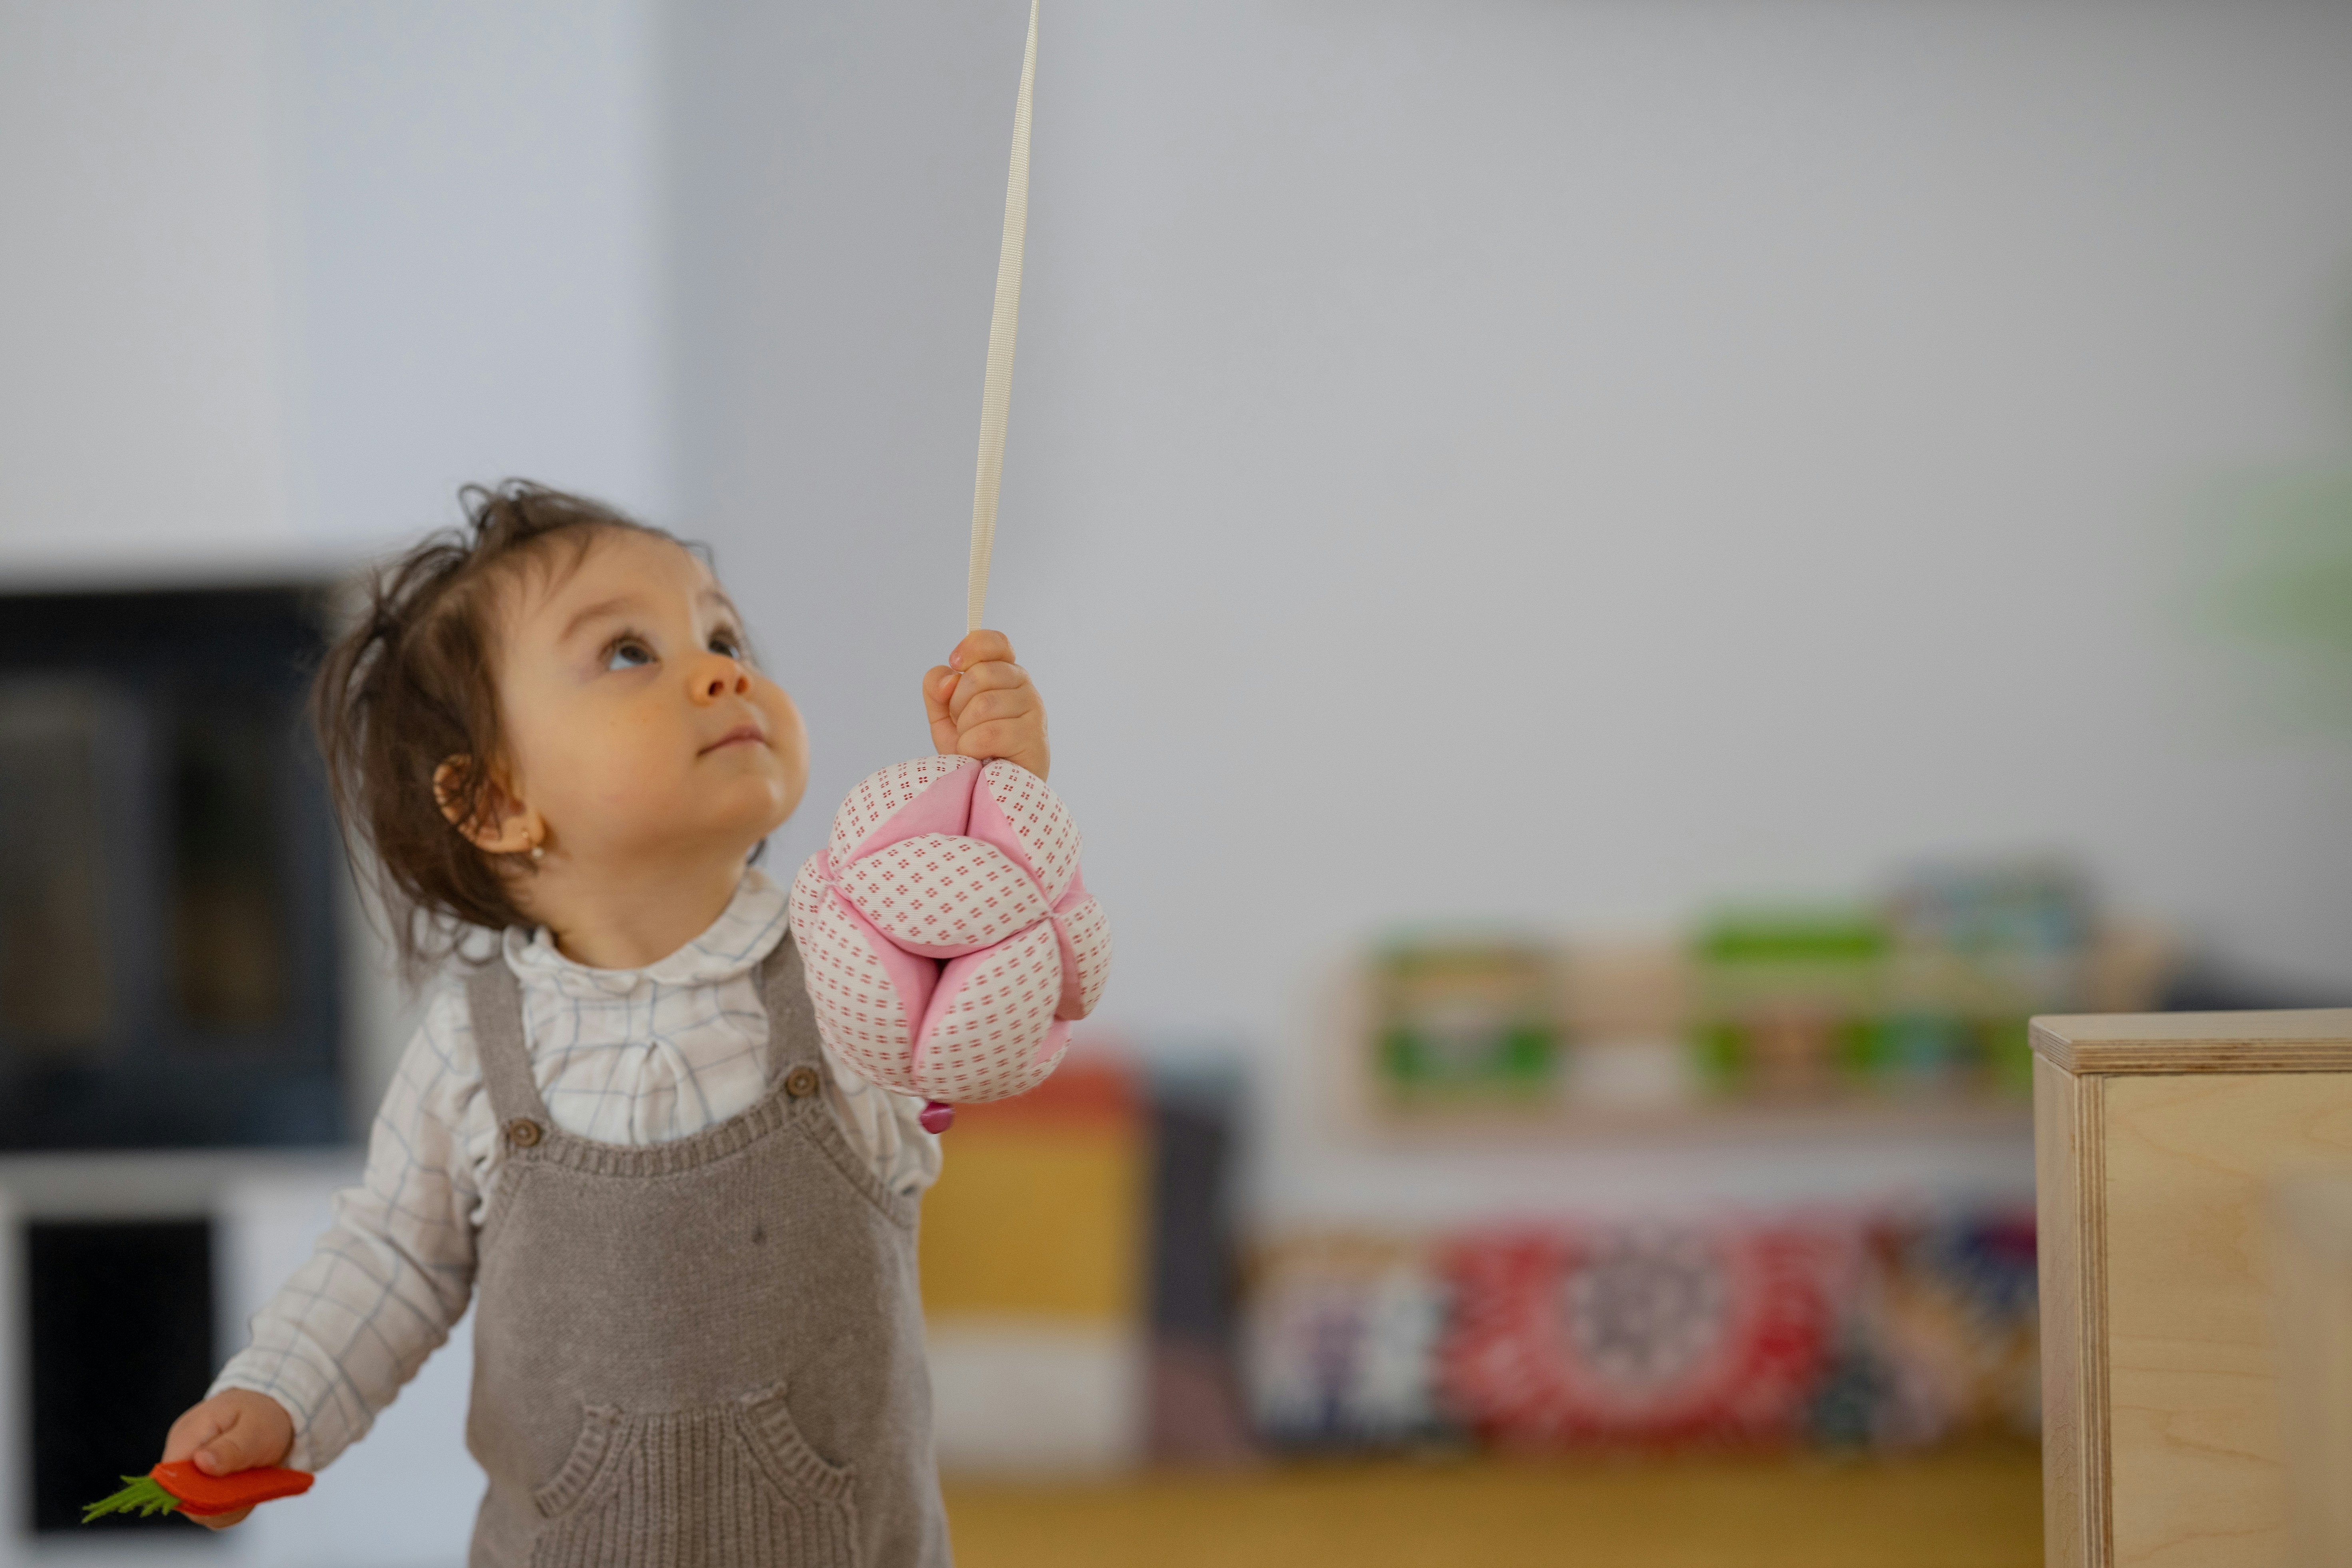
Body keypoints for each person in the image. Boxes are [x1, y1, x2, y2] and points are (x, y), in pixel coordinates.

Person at [156, 482, 1059, 1566]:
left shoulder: (848, 957)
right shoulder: (470, 1049)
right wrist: (278, 1395)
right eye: (629, 652)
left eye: (720, 632)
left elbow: (982, 1003)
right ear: (494, 803)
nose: (723, 665)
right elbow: (390, 1256)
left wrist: (998, 800)